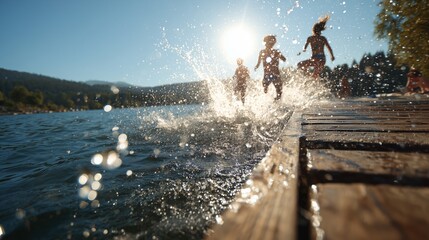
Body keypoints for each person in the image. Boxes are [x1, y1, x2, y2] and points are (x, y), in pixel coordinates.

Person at [254, 35, 286, 100]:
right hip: (271, 74)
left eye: (272, 43)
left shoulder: (275, 51)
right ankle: (271, 101)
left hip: (273, 74)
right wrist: (256, 66)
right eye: (269, 42)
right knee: (267, 89)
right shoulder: (264, 52)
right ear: (265, 43)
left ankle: (275, 101)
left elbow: (284, 59)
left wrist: (280, 55)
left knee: (278, 91)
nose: (270, 44)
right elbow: (258, 62)